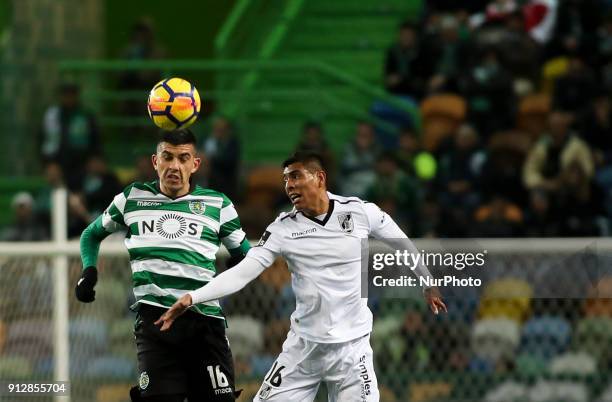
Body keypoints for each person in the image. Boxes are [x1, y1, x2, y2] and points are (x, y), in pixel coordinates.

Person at [156, 152, 447, 401]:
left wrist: (427, 282)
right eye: (286, 179)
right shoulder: (283, 228)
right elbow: (245, 270)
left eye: (296, 176)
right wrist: (194, 296)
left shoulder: (360, 213)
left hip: (352, 349)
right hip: (304, 349)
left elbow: (401, 243)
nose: (289, 185)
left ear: (319, 178)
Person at [74, 130, 249, 402]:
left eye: (183, 158)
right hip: (155, 324)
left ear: (195, 164)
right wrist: (89, 271)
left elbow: (247, 259)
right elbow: (91, 234)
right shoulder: (131, 198)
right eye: (167, 157)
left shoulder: (218, 204)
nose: (174, 166)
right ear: (155, 161)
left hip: (205, 323)